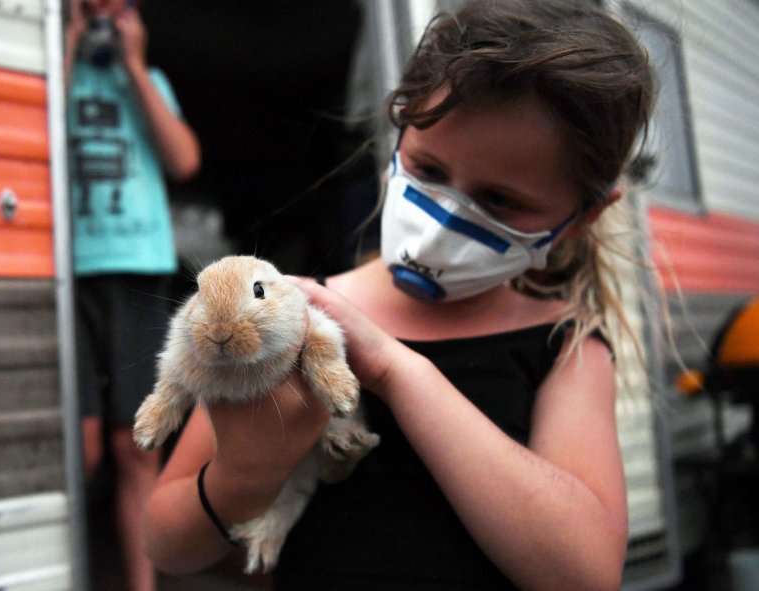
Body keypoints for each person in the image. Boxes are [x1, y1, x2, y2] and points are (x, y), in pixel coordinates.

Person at [141, 0, 656, 589]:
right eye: (429, 171)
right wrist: (239, 476)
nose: (439, 222)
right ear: (400, 132)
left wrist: (393, 369)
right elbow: (165, 542)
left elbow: (585, 574)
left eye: (500, 201)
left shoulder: (567, 347)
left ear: (584, 217)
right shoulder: (301, 312)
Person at [64, 1, 200, 590]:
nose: (103, 14)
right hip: (68, 273)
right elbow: (24, 139)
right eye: (89, 5)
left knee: (135, 444)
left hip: (139, 270)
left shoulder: (150, 79)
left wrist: (136, 66)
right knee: (80, 447)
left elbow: (184, 159)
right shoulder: (49, 73)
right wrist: (65, 47)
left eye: (115, 6)